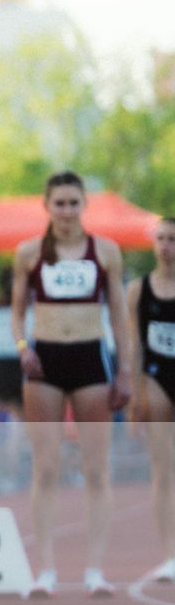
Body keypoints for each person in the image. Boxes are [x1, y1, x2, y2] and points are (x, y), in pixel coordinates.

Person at [11, 171, 131, 597]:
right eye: (58, 203)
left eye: (72, 202)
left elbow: (118, 315)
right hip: (45, 360)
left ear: (84, 205)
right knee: (46, 468)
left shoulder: (106, 252)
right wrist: (23, 346)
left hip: (90, 359)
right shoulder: (29, 253)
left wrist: (125, 371)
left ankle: (94, 570)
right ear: (47, 206)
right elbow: (16, 312)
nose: (65, 210)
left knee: (96, 469)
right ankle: (45, 570)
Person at [129, 216, 175, 583]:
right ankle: (170, 554)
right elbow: (134, 346)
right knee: (163, 471)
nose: (165, 246)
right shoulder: (138, 290)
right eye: (160, 238)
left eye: (172, 239)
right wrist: (134, 397)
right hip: (158, 377)